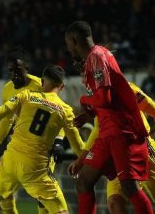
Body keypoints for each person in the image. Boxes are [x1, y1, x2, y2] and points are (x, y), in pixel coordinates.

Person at [0, 65, 85, 214]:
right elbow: (78, 145)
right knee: (60, 209)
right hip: (35, 166)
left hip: (10, 160)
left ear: (42, 81)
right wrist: (92, 161)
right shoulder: (65, 110)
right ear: (61, 86)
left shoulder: (26, 96)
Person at [65, 20, 153, 213]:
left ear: (73, 40)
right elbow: (108, 102)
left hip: (121, 132)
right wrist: (90, 115)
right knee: (84, 182)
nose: (69, 50)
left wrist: (84, 100)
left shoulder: (96, 56)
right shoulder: (96, 57)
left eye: (68, 45)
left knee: (130, 188)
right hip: (108, 133)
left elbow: (104, 98)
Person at [0, 49, 66, 214]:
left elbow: (59, 114)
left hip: (40, 149)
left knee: (42, 197)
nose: (14, 74)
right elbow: (6, 119)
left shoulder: (40, 85)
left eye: (17, 70)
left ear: (26, 68)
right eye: (10, 71)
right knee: (2, 191)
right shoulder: (7, 90)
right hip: (17, 145)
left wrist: (58, 141)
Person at [70, 81, 155, 213]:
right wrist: (80, 160)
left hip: (140, 148)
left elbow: (151, 106)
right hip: (116, 153)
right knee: (115, 203)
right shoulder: (98, 97)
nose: (83, 78)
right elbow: (98, 130)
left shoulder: (125, 87)